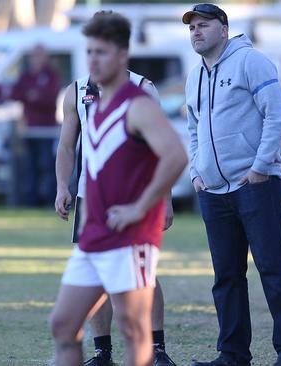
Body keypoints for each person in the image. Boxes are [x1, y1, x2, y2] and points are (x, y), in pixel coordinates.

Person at [48, 11, 187, 366]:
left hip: (131, 227)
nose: (93, 59)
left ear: (122, 54)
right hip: (92, 218)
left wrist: (147, 205)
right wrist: (63, 185)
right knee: (63, 325)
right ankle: (101, 352)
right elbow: (67, 147)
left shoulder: (141, 96)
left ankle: (156, 350)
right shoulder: (78, 93)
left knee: (133, 325)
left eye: (102, 51)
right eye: (90, 50)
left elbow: (172, 156)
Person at [183, 4, 281, 366]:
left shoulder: (251, 61)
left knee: (273, 269)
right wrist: (196, 172)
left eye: (203, 25)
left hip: (256, 185)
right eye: (192, 28)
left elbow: (277, 114)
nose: (196, 32)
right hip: (214, 192)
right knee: (226, 277)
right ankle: (233, 355)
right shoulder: (194, 76)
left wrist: (261, 167)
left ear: (224, 29)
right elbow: (193, 129)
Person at [9, 44, 61, 206]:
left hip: (47, 130)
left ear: (45, 57)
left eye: (38, 55)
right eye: (33, 55)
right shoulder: (26, 75)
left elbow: (50, 97)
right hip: (29, 130)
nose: (35, 59)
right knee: (30, 167)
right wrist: (32, 95)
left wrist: (34, 96)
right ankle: (31, 201)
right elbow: (15, 93)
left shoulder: (51, 75)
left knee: (48, 166)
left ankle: (50, 200)